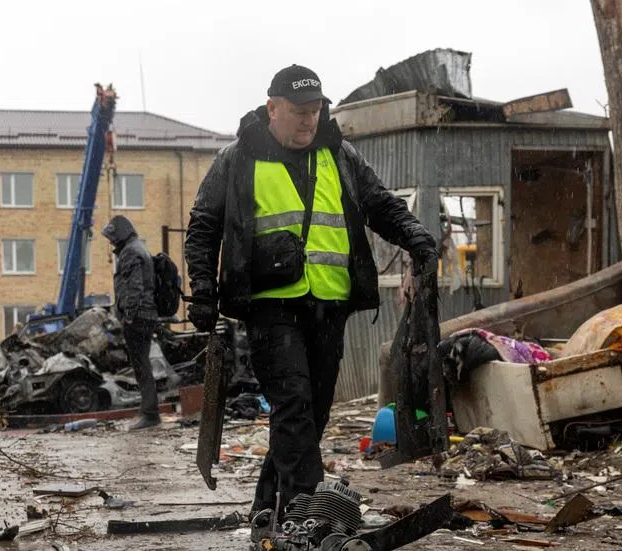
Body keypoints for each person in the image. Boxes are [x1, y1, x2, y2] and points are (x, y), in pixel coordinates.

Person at [183, 64, 438, 513]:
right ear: (273, 108)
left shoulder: (339, 155)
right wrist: (202, 288)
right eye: (300, 111)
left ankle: (268, 516)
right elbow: (203, 225)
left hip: (328, 306)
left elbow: (379, 203)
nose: (309, 120)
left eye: (316, 110)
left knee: (309, 417)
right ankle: (310, 523)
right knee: (295, 407)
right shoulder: (238, 158)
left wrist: (415, 236)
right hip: (271, 307)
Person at [102, 214, 160, 431]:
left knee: (141, 365)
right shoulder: (138, 248)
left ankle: (150, 414)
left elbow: (134, 287)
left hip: (139, 316)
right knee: (142, 364)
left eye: (112, 237)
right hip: (147, 313)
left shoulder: (130, 252)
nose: (111, 242)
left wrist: (129, 315)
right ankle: (149, 412)